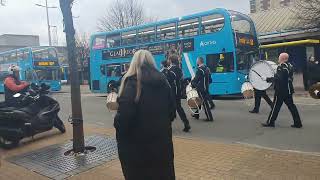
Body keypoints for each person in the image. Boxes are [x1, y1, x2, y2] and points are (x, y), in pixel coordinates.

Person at [114, 50, 176, 180]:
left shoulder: (131, 83)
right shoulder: (164, 82)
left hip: (137, 150)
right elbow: (172, 113)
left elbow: (124, 119)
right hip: (162, 146)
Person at [262, 53, 302, 128]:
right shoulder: (290, 65)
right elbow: (290, 78)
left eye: (279, 57)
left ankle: (270, 122)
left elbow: (279, 79)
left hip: (281, 90)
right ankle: (298, 123)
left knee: (275, 107)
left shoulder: (281, 67)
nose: (278, 58)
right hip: (288, 90)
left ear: (282, 58)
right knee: (292, 107)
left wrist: (267, 79)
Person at [168, 55, 191, 132]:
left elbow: (168, 82)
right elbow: (182, 79)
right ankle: (186, 123)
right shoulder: (179, 69)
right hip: (178, 91)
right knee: (179, 108)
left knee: (169, 108)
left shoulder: (170, 70)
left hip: (172, 91)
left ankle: (168, 125)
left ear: (170, 60)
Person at [191, 57, 214, 121]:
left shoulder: (200, 69)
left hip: (201, 89)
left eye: (197, 60)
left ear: (199, 61)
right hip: (205, 87)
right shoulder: (206, 68)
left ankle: (209, 117)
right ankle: (196, 114)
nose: (196, 61)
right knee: (200, 101)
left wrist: (192, 84)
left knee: (204, 103)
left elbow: (196, 79)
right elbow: (210, 79)